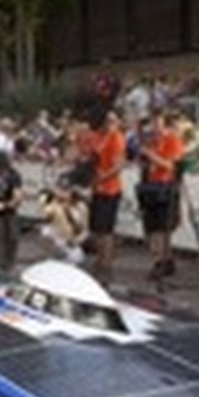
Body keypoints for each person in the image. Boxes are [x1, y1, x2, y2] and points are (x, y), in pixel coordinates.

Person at [136, 110, 184, 280]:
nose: (155, 128)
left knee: (162, 229)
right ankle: (162, 260)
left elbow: (171, 165)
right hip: (150, 186)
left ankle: (162, 261)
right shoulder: (151, 142)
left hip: (165, 186)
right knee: (152, 228)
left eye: (158, 123)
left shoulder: (172, 140)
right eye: (153, 124)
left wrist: (151, 156)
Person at [88, 108, 126, 281]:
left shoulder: (116, 138)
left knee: (106, 229)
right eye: (107, 120)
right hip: (97, 188)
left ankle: (106, 263)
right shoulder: (97, 136)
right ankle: (99, 259)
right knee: (96, 227)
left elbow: (118, 165)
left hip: (110, 188)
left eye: (113, 121)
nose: (110, 124)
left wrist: (102, 177)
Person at [38, 185, 90, 265]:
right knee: (45, 232)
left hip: (72, 240)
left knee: (77, 258)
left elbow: (83, 229)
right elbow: (45, 215)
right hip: (58, 238)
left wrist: (75, 241)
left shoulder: (82, 208)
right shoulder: (54, 206)